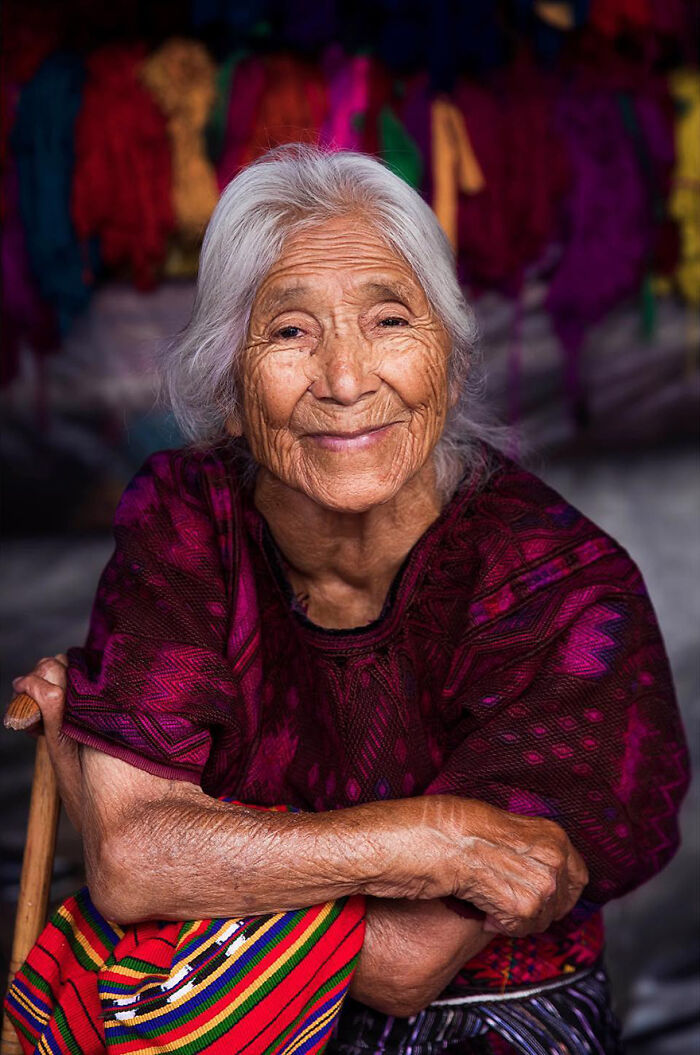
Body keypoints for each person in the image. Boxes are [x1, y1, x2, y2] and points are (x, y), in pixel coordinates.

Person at [6, 144, 689, 1055]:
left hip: (480, 1029)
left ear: (447, 362)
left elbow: (405, 962)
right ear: (232, 391)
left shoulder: (561, 592)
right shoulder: (188, 515)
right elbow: (136, 866)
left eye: (389, 321)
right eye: (290, 332)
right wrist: (424, 835)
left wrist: (129, 827)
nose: (344, 380)